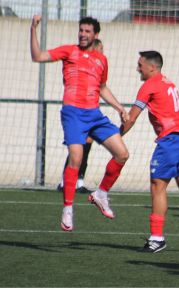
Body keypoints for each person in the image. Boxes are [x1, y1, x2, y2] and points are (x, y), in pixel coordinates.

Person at [31, 15, 129, 231]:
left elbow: (102, 88)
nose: (83, 34)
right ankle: (68, 208)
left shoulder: (101, 60)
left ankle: (101, 194)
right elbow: (37, 56)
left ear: (95, 35)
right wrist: (33, 29)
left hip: (94, 114)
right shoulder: (69, 51)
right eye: (81, 30)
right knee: (76, 158)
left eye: (87, 31)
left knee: (122, 154)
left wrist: (119, 107)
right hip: (73, 113)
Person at [120, 50, 179, 253]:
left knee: (158, 187)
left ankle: (157, 239)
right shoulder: (168, 83)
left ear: (152, 67)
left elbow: (131, 117)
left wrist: (113, 138)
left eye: (140, 65)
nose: (137, 68)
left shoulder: (149, 85)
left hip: (171, 140)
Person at [57, 39, 104, 194]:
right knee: (77, 149)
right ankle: (65, 182)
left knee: (86, 148)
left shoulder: (99, 66)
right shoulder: (83, 64)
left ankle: (79, 181)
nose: (102, 52)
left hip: (91, 113)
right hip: (78, 113)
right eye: (100, 49)